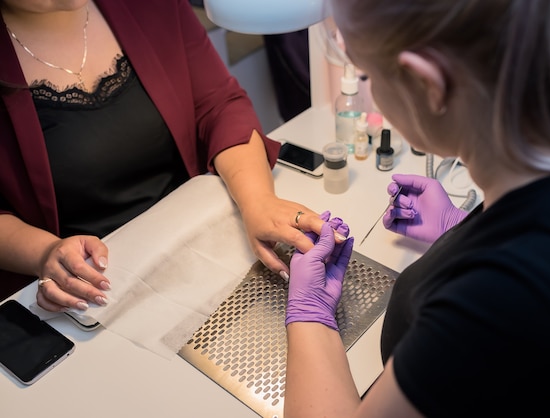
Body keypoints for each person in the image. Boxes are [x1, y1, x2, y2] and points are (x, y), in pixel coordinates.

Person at [284, 0, 550, 417]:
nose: (368, 86)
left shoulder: (493, 307)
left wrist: (309, 313)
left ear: (429, 83)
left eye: (369, 74)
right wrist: (465, 229)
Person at [0, 0, 328, 308]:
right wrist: (45, 252)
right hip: (88, 292)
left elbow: (218, 106)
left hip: (190, 252)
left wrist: (258, 201)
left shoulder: (150, 6)